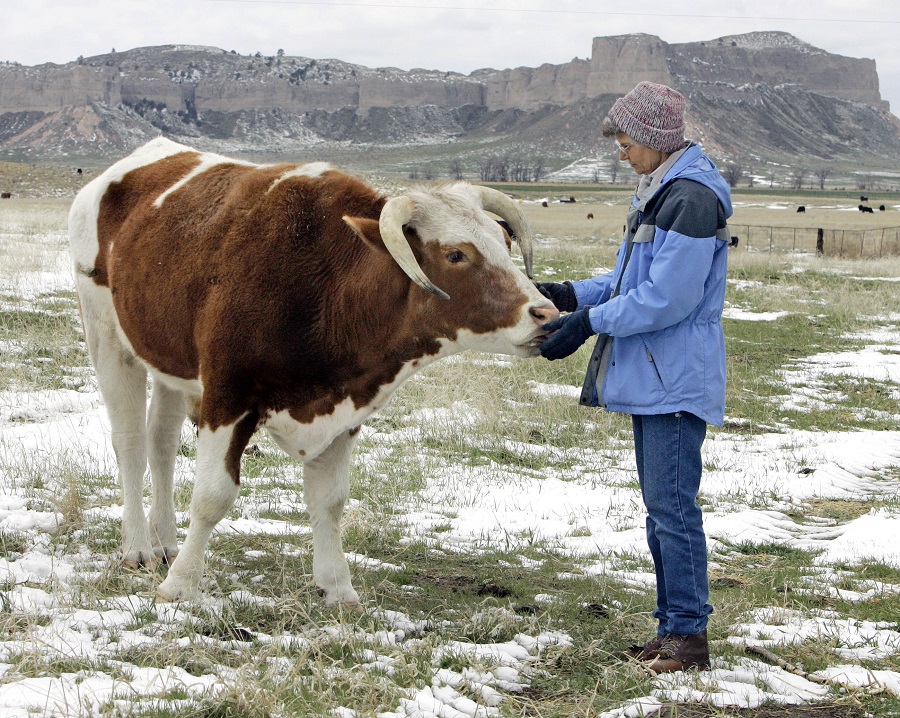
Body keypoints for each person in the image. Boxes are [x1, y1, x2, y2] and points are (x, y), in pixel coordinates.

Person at [536, 81, 732, 674]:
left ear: (652, 139)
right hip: (656, 377)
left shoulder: (691, 198)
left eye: (625, 142)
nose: (621, 152)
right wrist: (568, 294)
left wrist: (587, 322)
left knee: (672, 509)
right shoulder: (659, 192)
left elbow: (665, 300)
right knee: (660, 509)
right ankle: (671, 629)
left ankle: (688, 639)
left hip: (673, 379)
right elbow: (629, 282)